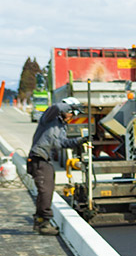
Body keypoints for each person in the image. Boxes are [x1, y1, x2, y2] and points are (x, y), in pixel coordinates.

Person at [27, 98, 90, 235]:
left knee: (47, 190)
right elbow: (56, 106)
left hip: (46, 160)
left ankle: (40, 220)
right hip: (38, 158)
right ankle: (44, 222)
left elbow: (62, 143)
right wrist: (70, 105)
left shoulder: (61, 126)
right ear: (67, 110)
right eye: (72, 113)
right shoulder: (49, 118)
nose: (72, 117)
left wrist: (80, 141)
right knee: (46, 191)